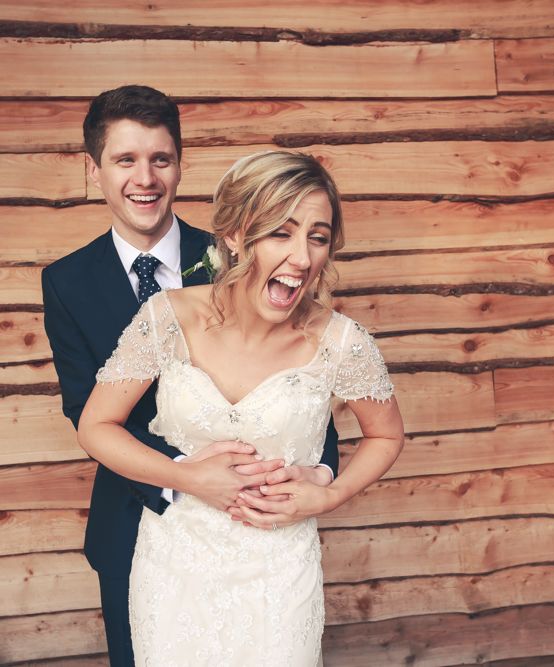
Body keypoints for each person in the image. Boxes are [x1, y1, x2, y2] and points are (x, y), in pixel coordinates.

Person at [41, 86, 340, 666]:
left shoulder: (249, 248)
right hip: (135, 523)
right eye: (125, 160)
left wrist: (319, 471)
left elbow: (307, 379)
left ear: (181, 164)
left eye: (160, 158)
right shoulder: (67, 282)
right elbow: (87, 412)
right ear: (94, 170)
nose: (145, 178)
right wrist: (186, 475)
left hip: (258, 528)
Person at [77, 150, 405, 665]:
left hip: (279, 573)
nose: (301, 257)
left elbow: (386, 436)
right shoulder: (168, 317)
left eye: (317, 238)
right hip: (172, 567)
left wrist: (331, 493)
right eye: (281, 232)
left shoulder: (343, 343)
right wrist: (186, 477)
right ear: (234, 235)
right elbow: (96, 425)